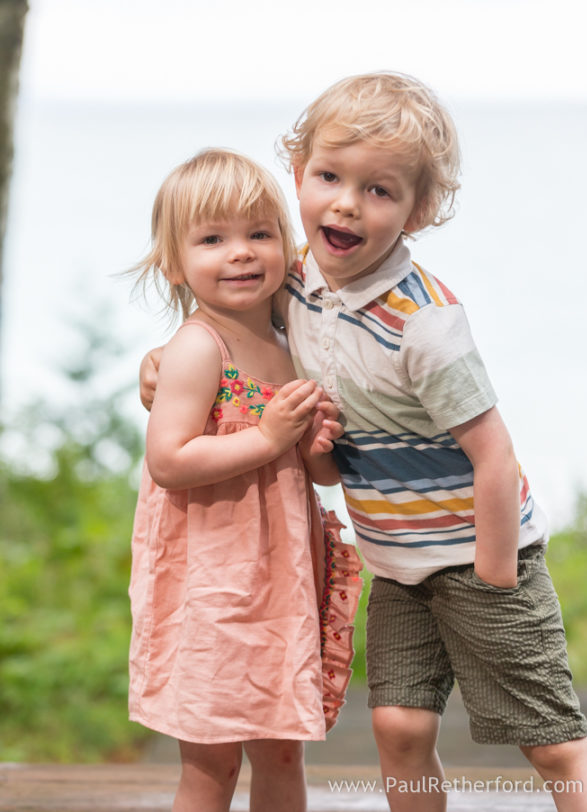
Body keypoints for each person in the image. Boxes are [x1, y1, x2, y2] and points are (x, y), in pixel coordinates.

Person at [140, 74, 587, 812]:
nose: (348, 202)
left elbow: (496, 456)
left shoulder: (425, 324)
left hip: (477, 553)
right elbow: (228, 338)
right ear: (299, 178)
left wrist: (492, 578)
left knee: (548, 736)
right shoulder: (294, 281)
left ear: (417, 211)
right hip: (396, 563)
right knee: (397, 723)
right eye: (329, 177)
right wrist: (156, 365)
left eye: (379, 191)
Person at [128, 148, 361, 812]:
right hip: (212, 583)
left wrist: (315, 445)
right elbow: (169, 459)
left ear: (286, 249)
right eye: (213, 239)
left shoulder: (291, 343)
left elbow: (312, 472)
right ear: (175, 262)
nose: (240, 253)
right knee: (213, 760)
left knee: (284, 748)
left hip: (279, 578)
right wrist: (266, 438)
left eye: (259, 234)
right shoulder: (200, 348)